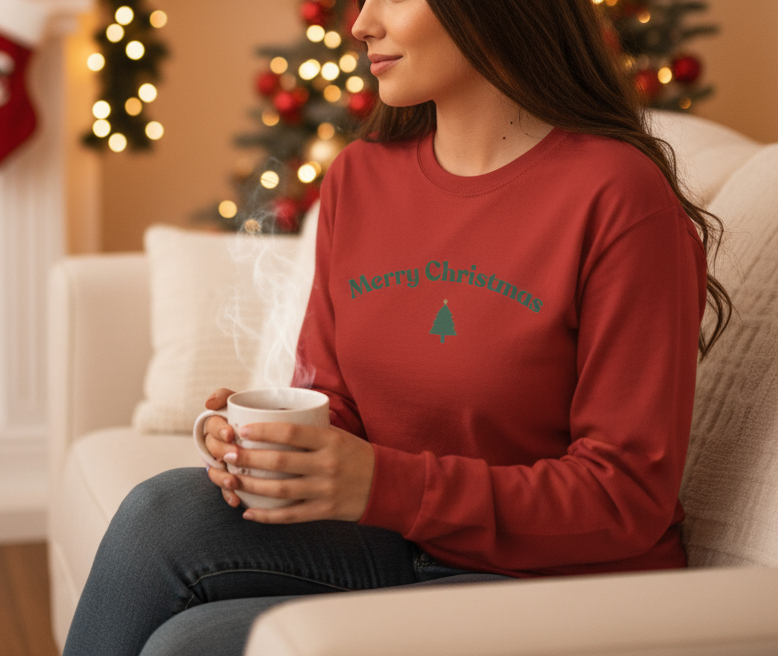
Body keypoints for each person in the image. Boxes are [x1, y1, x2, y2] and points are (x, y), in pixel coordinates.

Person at [62, 1, 732, 654]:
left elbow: (626, 496)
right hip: (400, 539)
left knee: (189, 646)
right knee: (158, 514)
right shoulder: (359, 176)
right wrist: (274, 447)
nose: (361, 24)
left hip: (560, 584)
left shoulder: (619, 196)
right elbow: (338, 401)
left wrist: (383, 484)